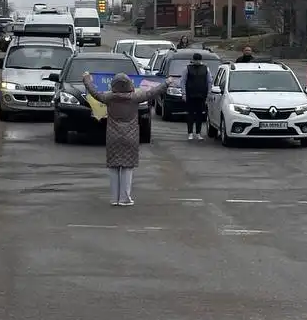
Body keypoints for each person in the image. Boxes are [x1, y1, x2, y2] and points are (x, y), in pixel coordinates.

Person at [82, 70, 164, 206]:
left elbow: (94, 92)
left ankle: (114, 198)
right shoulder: (135, 98)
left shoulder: (108, 98)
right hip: (130, 136)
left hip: (112, 135)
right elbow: (152, 92)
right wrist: (166, 83)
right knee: (127, 167)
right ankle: (125, 198)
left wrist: (87, 79)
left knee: (114, 166)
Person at [181, 51, 212, 140]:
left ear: (201, 60)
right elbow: (183, 81)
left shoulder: (206, 68)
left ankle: (198, 133)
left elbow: (209, 81)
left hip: (202, 95)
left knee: (199, 115)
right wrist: (183, 93)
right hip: (190, 94)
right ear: (193, 60)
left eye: (198, 60)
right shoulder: (187, 68)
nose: (197, 62)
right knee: (190, 114)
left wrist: (209, 93)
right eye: (195, 60)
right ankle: (190, 133)